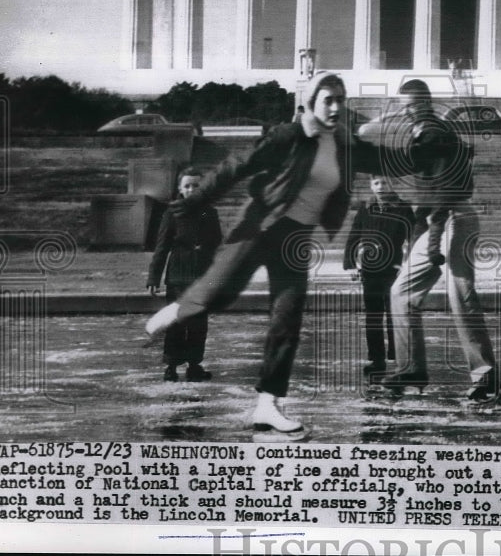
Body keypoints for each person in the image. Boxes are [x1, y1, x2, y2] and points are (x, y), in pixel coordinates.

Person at [144, 71, 390, 440]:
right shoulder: (289, 135)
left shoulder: (344, 147)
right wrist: (195, 199)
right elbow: (239, 165)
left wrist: (433, 149)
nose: (336, 107)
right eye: (328, 99)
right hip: (261, 226)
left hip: (295, 240)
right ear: (311, 103)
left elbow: (391, 159)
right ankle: (177, 310)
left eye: (341, 99)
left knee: (287, 320)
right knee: (220, 292)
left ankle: (267, 404)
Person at [358, 79, 501, 405]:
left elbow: (443, 192)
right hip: (437, 221)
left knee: (460, 294)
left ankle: (486, 377)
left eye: (411, 105)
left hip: (455, 218)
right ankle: (411, 370)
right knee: (401, 292)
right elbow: (425, 198)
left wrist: (434, 241)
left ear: (425, 103)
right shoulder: (422, 134)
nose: (406, 112)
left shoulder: (435, 134)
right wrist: (421, 237)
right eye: (403, 105)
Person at [146, 168, 223, 382]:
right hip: (178, 276)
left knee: (199, 324)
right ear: (180, 189)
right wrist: (154, 277)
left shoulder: (209, 212)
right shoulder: (172, 213)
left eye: (196, 185)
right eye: (187, 185)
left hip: (202, 277)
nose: (191, 190)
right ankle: (171, 366)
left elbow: (217, 246)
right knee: (176, 323)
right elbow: (162, 247)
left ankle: (194, 365)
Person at [342, 175, 415, 379]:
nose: (381, 187)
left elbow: (413, 237)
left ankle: (397, 357)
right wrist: (351, 265)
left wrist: (408, 265)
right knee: (373, 315)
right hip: (369, 269)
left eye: (385, 183)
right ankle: (376, 359)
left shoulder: (403, 209)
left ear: (392, 185)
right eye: (376, 183)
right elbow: (354, 235)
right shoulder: (366, 209)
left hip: (394, 269)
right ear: (371, 186)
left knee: (395, 314)